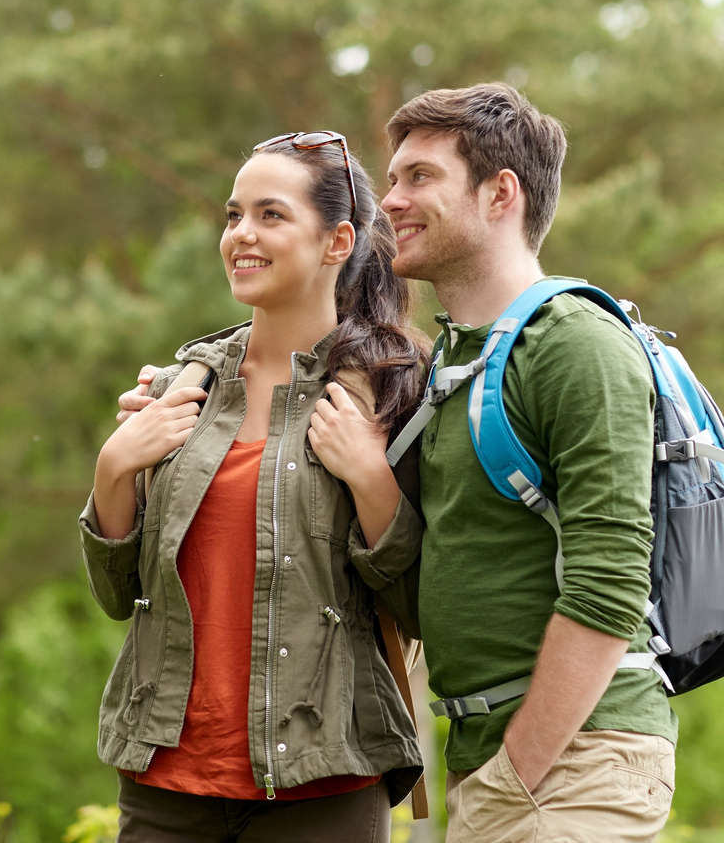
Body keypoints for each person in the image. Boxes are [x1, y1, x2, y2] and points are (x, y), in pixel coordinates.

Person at [80, 129, 429, 841]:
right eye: (233, 214)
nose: (241, 234)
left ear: (337, 242)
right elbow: (120, 596)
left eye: (271, 215)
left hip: (324, 781)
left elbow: (422, 607)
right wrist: (114, 469)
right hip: (165, 783)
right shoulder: (188, 386)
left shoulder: (392, 393)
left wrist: (371, 480)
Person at [374, 82, 676, 841]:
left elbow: (610, 579)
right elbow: (435, 590)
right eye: (391, 179)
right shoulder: (452, 365)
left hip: (577, 761)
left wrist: (520, 769)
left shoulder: (576, 341)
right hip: (492, 763)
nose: (390, 201)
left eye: (420, 177)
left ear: (499, 193)